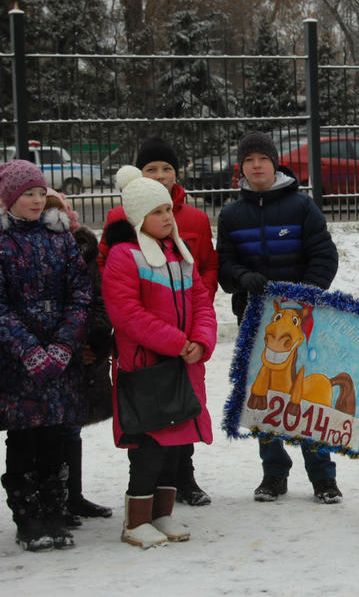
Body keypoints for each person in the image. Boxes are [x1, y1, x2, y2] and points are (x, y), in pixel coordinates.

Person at [217, 131, 342, 504]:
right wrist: (242, 277)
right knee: (263, 396)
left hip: (302, 322)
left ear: (275, 164)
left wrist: (303, 296)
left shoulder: (301, 207)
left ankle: (323, 476)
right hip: (256, 321)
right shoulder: (231, 215)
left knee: (307, 396)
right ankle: (273, 473)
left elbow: (324, 256)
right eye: (249, 160)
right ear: (241, 167)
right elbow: (224, 266)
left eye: (263, 159)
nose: (256, 166)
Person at [98, 136, 218, 506]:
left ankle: (163, 512)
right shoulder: (124, 255)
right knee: (149, 443)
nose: (168, 218)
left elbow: (201, 298)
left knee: (179, 436)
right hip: (148, 363)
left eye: (169, 210)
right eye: (158, 212)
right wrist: (176, 342)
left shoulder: (179, 252)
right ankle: (138, 518)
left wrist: (201, 339)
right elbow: (128, 313)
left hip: (184, 360)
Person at [0, 160, 91, 551]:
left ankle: (54, 512)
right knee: (24, 440)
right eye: (28, 194)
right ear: (9, 199)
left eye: (41, 193)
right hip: (18, 363)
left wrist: (63, 345)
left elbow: (81, 294)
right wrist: (28, 350)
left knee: (54, 439)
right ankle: (28, 518)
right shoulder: (3, 243)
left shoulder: (61, 239)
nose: (37, 200)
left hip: (59, 359)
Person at [43, 190, 114, 525]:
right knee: (41, 432)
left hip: (81, 351)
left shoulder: (82, 246)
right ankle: (48, 503)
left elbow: (96, 298)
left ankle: (72, 496)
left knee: (71, 428)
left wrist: (93, 341)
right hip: (43, 352)